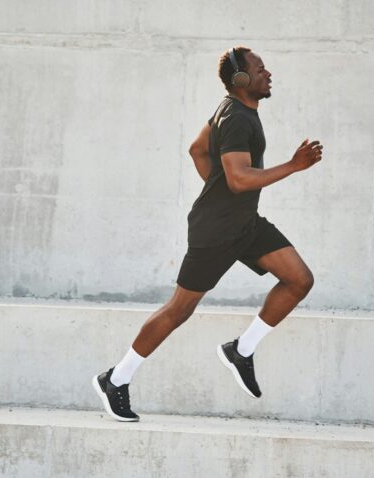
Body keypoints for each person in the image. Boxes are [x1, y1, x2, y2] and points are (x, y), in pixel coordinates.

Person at [92, 46, 324, 422]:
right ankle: (116, 379)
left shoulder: (233, 110)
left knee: (299, 280)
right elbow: (238, 179)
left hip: (244, 224)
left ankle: (242, 350)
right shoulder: (235, 118)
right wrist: (293, 166)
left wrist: (216, 191)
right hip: (216, 232)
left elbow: (197, 149)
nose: (268, 74)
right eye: (260, 69)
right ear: (241, 79)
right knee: (179, 309)